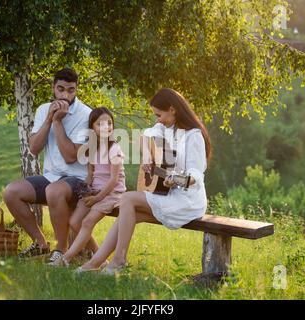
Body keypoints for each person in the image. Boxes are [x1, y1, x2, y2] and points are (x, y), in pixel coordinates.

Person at [77, 88, 212, 274]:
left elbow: (195, 178)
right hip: (170, 195)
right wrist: (148, 155)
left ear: (172, 109)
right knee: (127, 215)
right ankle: (95, 263)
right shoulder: (166, 129)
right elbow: (146, 134)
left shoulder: (193, 136)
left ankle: (118, 261)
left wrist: (176, 179)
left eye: (159, 114)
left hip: (188, 201)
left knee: (127, 199)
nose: (158, 119)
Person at [3, 68, 94, 261]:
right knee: (12, 192)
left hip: (77, 179)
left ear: (76, 89)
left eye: (71, 90)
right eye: (60, 89)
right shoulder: (44, 109)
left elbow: (71, 157)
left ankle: (60, 250)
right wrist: (48, 119)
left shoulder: (86, 115)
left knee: (54, 191)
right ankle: (41, 243)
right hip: (51, 176)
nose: (65, 95)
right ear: (53, 88)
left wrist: (58, 122)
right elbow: (34, 148)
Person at [48, 107, 126, 267]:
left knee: (87, 222)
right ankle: (101, 259)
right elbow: (90, 176)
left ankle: (65, 259)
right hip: (94, 191)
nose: (106, 127)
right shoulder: (92, 149)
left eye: (109, 123)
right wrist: (86, 190)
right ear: (92, 128)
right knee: (75, 221)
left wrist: (97, 198)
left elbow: (113, 180)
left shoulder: (115, 149)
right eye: (100, 124)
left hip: (111, 193)